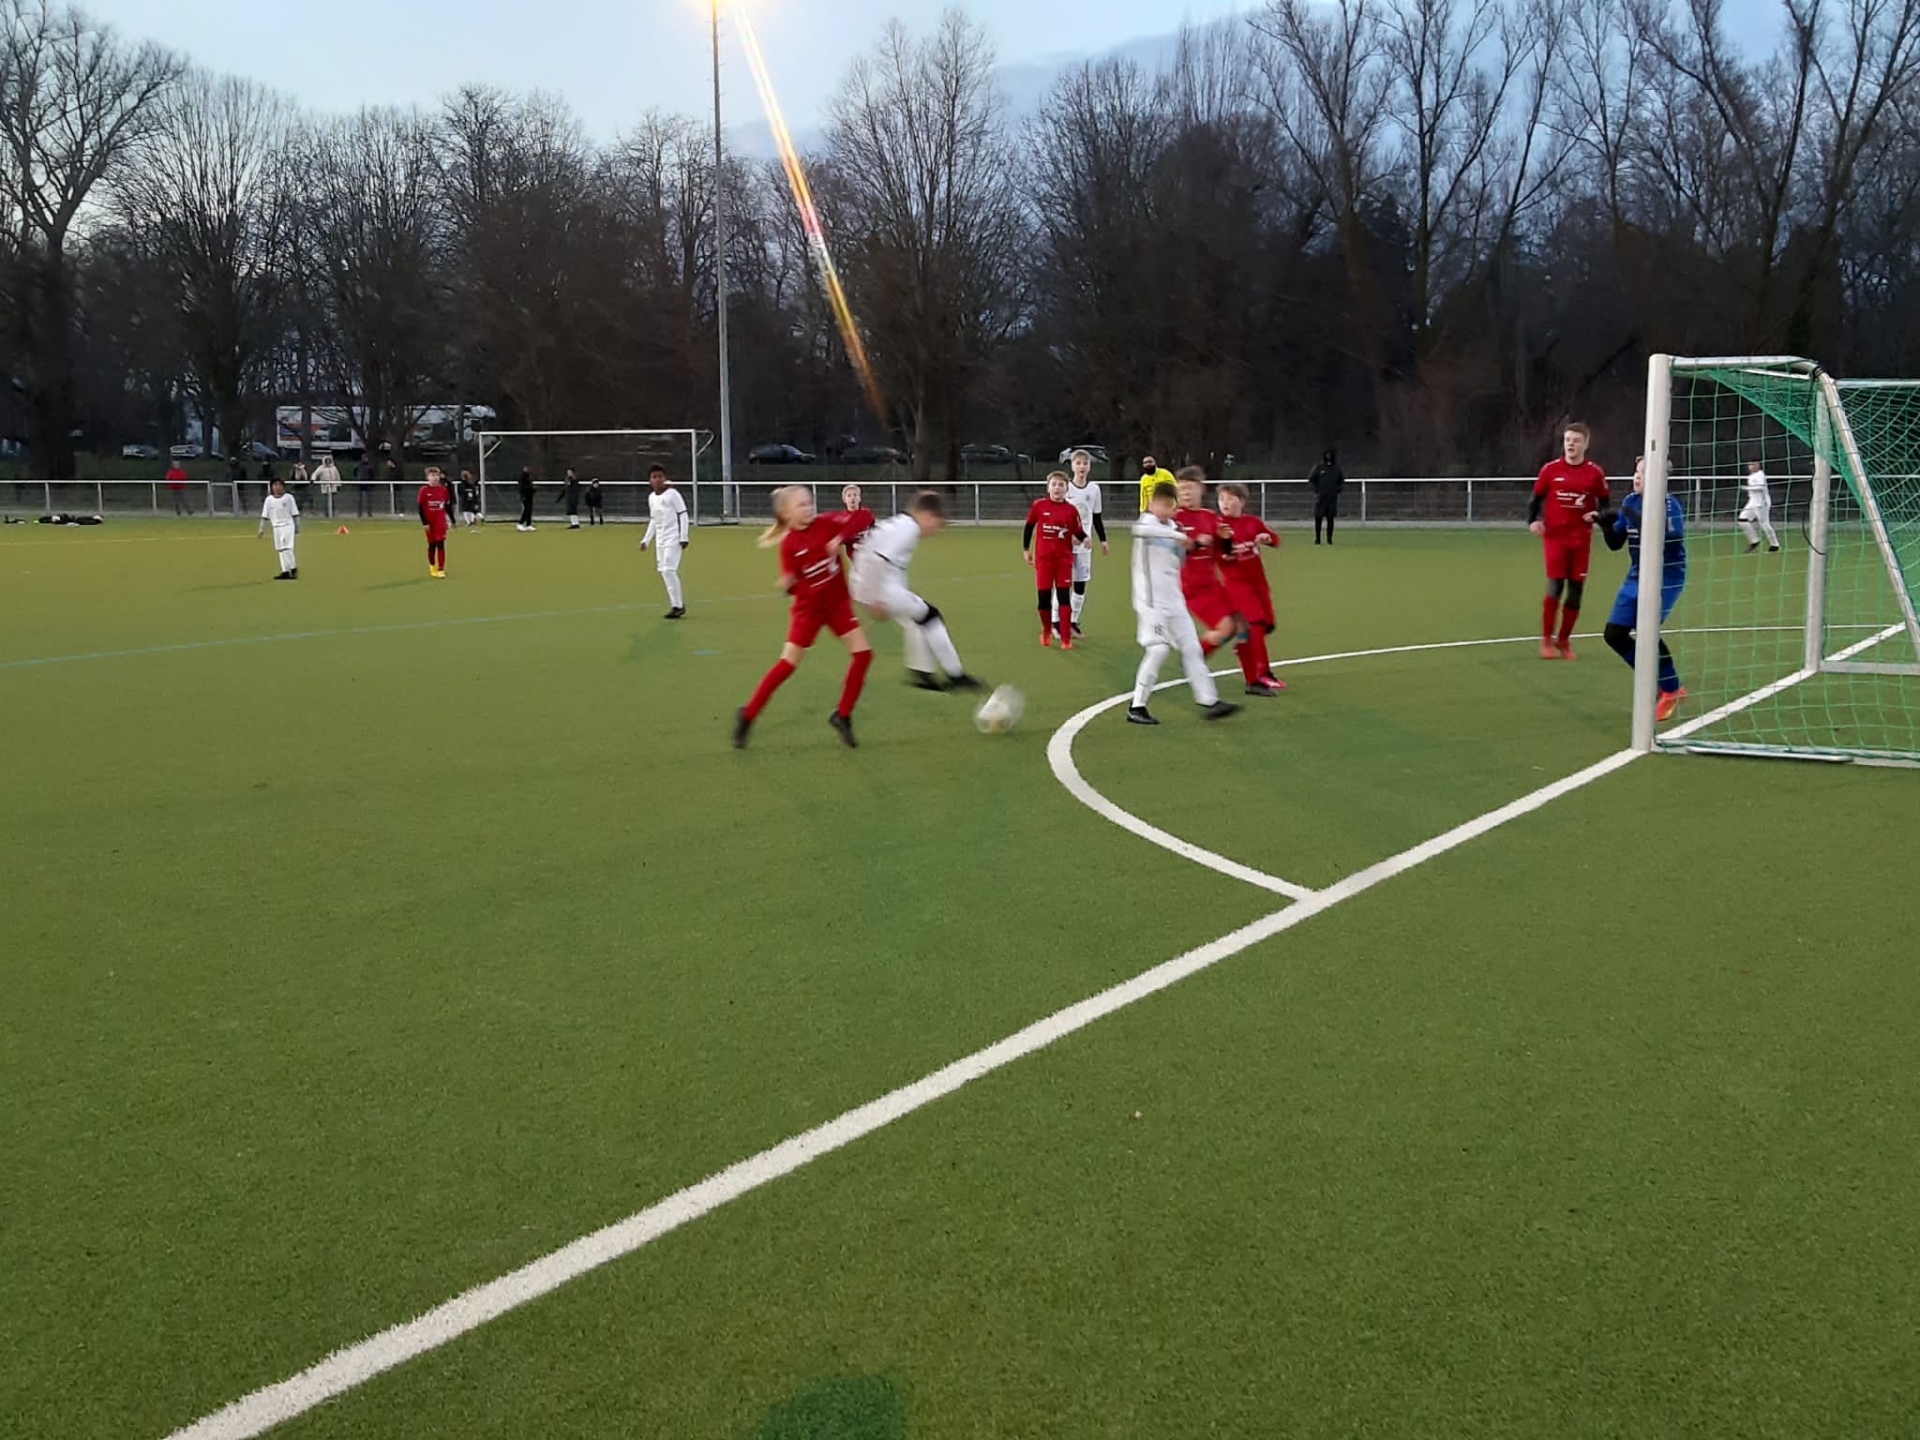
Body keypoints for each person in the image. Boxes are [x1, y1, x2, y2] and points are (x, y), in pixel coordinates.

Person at [732, 486, 873, 750]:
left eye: (810, 502)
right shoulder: (789, 544)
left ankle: (842, 715)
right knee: (787, 664)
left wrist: (840, 537)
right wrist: (789, 583)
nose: (809, 508)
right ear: (787, 513)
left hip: (837, 606)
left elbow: (865, 517)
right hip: (808, 611)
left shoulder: (827, 522)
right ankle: (748, 714)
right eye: (801, 505)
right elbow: (793, 580)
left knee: (863, 654)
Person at [1129, 481, 1240, 725]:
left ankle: (1210, 701)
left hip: (1174, 599)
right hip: (1151, 602)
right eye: (1161, 504)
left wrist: (1195, 544)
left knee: (1192, 648)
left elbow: (1181, 555)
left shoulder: (1171, 526)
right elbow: (1140, 531)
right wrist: (1183, 537)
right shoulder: (1147, 523)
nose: (1166, 509)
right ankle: (1137, 706)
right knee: (1158, 650)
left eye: (1170, 505)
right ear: (1151, 504)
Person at [851, 490, 984, 693]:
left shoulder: (900, 523)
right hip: (876, 584)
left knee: (916, 621)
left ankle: (922, 673)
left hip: (868, 582)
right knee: (930, 615)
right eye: (937, 523)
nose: (935, 530)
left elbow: (872, 554)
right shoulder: (909, 528)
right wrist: (874, 598)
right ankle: (955, 675)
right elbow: (877, 559)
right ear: (927, 515)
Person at [1599, 455, 1687, 721]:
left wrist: (1632, 516)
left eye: (1643, 473)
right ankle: (1655, 680)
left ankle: (1671, 689)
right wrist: (1604, 523)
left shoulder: (1669, 505)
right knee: (1614, 634)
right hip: (1637, 575)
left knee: (1647, 629)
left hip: (1666, 577)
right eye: (1636, 471)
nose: (1636, 477)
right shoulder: (1630, 501)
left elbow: (1669, 536)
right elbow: (1615, 543)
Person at [1529, 421, 1609, 660]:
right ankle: (1546, 639)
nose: (1571, 444)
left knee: (1576, 590)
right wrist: (1532, 520)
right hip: (1555, 537)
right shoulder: (1550, 470)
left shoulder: (1594, 473)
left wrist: (1598, 516)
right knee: (1555, 585)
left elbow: (1605, 505)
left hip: (1581, 539)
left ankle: (1563, 640)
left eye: (1576, 440)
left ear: (1586, 444)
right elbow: (1535, 498)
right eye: (1567, 440)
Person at [1215, 483, 1286, 695]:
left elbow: (1275, 539)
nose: (1225, 503)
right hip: (1237, 585)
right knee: (1255, 623)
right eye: (1222, 499)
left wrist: (1268, 539)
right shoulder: (1218, 526)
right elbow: (1219, 555)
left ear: (1242, 502)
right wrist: (1225, 553)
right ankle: (1262, 673)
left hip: (1258, 582)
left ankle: (1243, 648)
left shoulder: (1252, 522)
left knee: (1268, 624)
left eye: (1230, 498)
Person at [1171, 469, 1240, 655]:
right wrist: (1196, 544)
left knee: (1241, 622)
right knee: (1225, 628)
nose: (1185, 493)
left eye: (1190, 488)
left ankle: (1197, 658)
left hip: (1213, 584)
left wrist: (1227, 540)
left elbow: (1223, 552)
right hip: (1192, 588)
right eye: (1181, 488)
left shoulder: (1210, 516)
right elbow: (1171, 551)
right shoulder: (1174, 519)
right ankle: (1193, 659)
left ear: (1201, 489)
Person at [1024, 471, 1087, 648]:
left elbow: (1077, 530)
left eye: (1061, 485)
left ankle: (1066, 638)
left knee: (1063, 597)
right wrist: (1026, 550)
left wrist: (1085, 538)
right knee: (1043, 600)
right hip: (1043, 561)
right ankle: (1046, 629)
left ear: (1066, 489)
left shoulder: (1071, 510)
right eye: (1054, 484)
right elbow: (1029, 527)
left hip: (1063, 561)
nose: (1057, 488)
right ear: (1048, 487)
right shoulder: (1039, 505)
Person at [1062, 448, 1108, 635]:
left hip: (1084, 546)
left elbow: (1096, 517)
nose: (1082, 466)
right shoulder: (1065, 488)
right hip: (1064, 545)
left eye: (1085, 463)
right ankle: (1057, 622)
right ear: (1072, 466)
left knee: (1080, 585)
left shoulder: (1094, 489)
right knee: (1063, 584)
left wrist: (1103, 540)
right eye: (1078, 463)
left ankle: (1073, 621)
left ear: (1089, 467)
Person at [640, 465, 690, 619]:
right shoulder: (651, 498)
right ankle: (676, 605)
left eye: (660, 476)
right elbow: (654, 520)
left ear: (665, 478)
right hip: (660, 540)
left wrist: (684, 536)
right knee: (663, 571)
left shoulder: (673, 494)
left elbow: (683, 514)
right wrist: (646, 540)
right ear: (650, 480)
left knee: (669, 569)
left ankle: (678, 606)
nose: (657, 479)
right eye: (654, 477)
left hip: (673, 537)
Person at [258, 475, 300, 580]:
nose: (277, 487)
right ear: (271, 487)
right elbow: (264, 516)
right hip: (276, 527)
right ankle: (285, 571)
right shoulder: (269, 500)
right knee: (280, 549)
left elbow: (295, 513)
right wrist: (261, 529)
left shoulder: (289, 498)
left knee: (286, 547)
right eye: (275, 485)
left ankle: (293, 568)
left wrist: (297, 526)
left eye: (280, 485)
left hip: (287, 525)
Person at [417, 465, 452, 577]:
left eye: (437, 475)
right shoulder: (424, 490)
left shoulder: (443, 490)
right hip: (429, 522)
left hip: (440, 522)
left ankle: (441, 569)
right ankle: (432, 567)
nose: (435, 477)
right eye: (432, 475)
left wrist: (452, 520)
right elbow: (420, 508)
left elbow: (447, 506)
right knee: (432, 545)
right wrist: (425, 523)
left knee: (441, 544)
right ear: (428, 477)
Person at [1740, 458, 1781, 553]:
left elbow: (1760, 487)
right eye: (1749, 464)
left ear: (1758, 465)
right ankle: (1755, 541)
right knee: (1742, 519)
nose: (1751, 466)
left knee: (1764, 524)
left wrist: (1747, 488)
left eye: (1753, 464)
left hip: (1761, 503)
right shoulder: (1752, 475)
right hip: (1752, 502)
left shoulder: (1760, 475)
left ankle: (1775, 545)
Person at [1309, 449, 1345, 545]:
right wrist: (1317, 490)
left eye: (1330, 455)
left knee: (1330, 519)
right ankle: (1317, 539)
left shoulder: (1336, 468)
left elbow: (1341, 481)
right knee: (1318, 518)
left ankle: (1329, 539)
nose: (1328, 457)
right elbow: (1312, 479)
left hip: (1332, 499)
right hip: (1321, 498)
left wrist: (1338, 490)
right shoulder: (1319, 467)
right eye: (1327, 455)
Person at [840, 484, 876, 553]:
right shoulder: (842, 518)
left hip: (866, 550)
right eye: (849, 496)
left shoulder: (866, 513)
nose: (852, 498)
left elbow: (873, 529)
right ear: (844, 500)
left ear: (859, 498)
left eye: (855, 495)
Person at [516, 465, 536, 530]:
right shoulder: (522, 477)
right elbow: (523, 487)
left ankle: (528, 524)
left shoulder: (528, 477)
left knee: (529, 510)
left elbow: (529, 486)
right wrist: (523, 495)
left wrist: (533, 489)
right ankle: (520, 523)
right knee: (526, 510)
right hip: (525, 496)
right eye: (526, 468)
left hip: (529, 496)